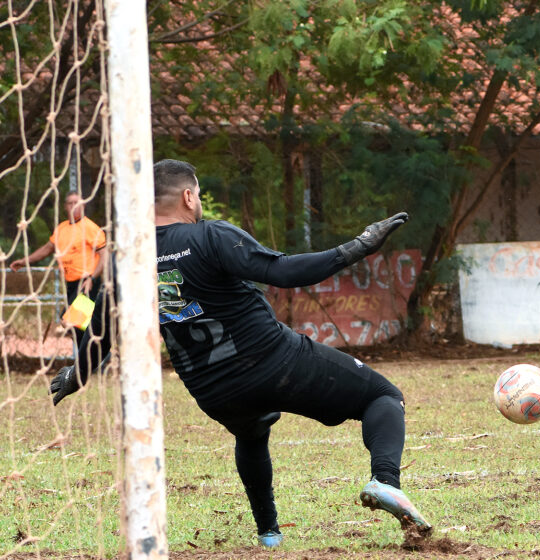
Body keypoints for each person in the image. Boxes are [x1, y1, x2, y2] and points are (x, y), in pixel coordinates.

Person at [48, 159, 432, 547]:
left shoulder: (124, 261)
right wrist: (358, 247)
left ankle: (268, 534)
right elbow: (284, 272)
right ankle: (385, 480)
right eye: (196, 195)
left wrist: (74, 376)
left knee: (250, 433)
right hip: (273, 362)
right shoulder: (210, 236)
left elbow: (101, 331)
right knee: (382, 395)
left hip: (212, 391)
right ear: (187, 196)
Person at [9, 191, 106, 342]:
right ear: (65, 207)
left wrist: (92, 278)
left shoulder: (91, 228)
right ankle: (93, 357)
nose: (74, 206)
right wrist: (24, 261)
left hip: (87, 283)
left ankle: (94, 356)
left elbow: (104, 256)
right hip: (71, 284)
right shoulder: (61, 228)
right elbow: (47, 249)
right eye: (71, 203)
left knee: (70, 321)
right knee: (79, 326)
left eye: (77, 203)